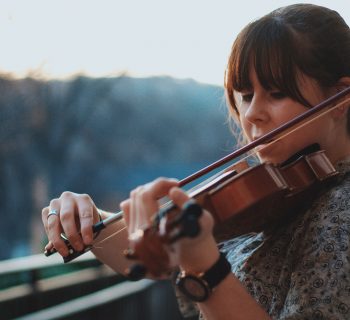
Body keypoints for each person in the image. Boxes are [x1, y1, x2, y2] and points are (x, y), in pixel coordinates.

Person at [42, 3, 350, 319]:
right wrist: (92, 222)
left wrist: (205, 268)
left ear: (338, 99)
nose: (252, 113)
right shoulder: (284, 193)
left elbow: (196, 264)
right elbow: (143, 258)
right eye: (245, 94)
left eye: (276, 93)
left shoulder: (341, 211)